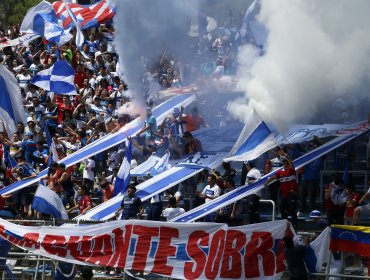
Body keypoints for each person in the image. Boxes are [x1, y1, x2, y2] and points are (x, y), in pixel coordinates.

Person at [264, 153, 298, 226]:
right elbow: (273, 177)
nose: (285, 165)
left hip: (291, 194)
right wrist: (266, 183)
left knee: (292, 210)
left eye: (287, 164)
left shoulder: (291, 170)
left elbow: (292, 164)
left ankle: (295, 224)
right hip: (283, 194)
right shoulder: (280, 172)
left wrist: (287, 157)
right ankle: (283, 224)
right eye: (284, 163)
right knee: (283, 210)